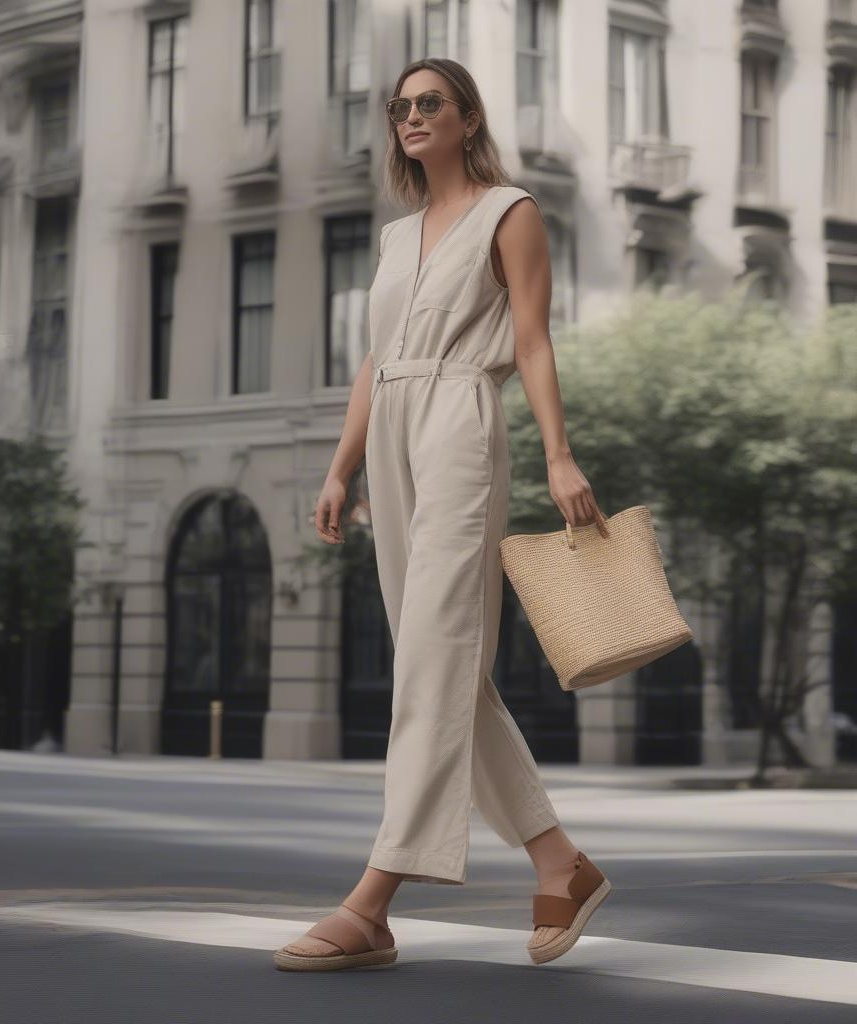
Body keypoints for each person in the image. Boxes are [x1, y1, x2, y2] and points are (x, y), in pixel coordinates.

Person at [274, 58, 612, 973]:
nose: (414, 117)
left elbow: (534, 339)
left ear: (467, 118)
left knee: (431, 659)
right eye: (403, 108)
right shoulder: (394, 238)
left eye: (432, 104)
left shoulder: (514, 211)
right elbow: (376, 362)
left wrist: (558, 453)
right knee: (443, 667)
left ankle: (375, 898)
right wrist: (342, 468)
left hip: (463, 423)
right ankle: (560, 863)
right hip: (392, 433)